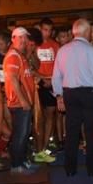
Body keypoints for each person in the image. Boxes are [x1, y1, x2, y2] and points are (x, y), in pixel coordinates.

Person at [52, 19, 93, 176]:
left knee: (72, 132)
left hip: (69, 93)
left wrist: (59, 95)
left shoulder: (63, 50)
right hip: (89, 93)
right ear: (86, 32)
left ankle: (70, 168)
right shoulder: (92, 51)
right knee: (91, 132)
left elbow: (56, 76)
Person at [4, 28, 40, 175]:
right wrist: (23, 100)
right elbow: (13, 79)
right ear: (13, 39)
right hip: (19, 103)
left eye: (25, 38)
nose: (24, 40)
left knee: (24, 134)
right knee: (20, 134)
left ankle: (22, 162)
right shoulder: (13, 55)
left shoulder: (20, 55)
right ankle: (16, 165)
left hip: (24, 101)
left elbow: (23, 76)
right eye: (20, 38)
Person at [35, 18, 61, 156]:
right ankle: (38, 147)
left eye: (50, 30)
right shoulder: (34, 45)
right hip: (38, 83)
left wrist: (52, 80)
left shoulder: (55, 45)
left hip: (51, 83)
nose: (48, 33)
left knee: (51, 113)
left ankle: (44, 147)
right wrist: (41, 77)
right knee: (39, 117)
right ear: (40, 29)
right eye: (45, 29)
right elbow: (31, 65)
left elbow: (58, 64)